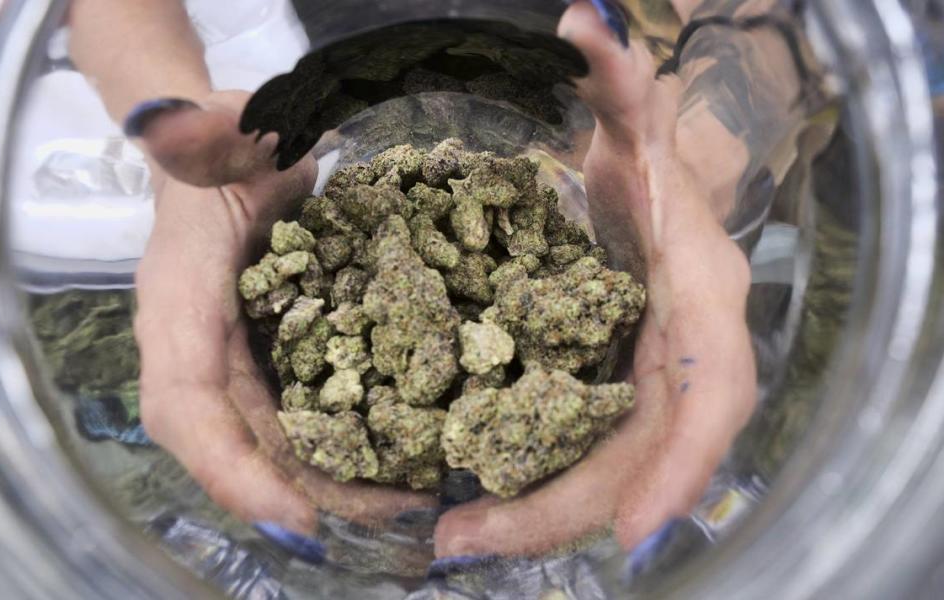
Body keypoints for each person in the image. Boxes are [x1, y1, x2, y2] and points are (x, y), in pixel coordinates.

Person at [68, 0, 763, 564]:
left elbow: (802, 20)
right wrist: (180, 142)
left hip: (602, 107)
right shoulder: (347, 276)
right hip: (303, 105)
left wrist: (706, 143)